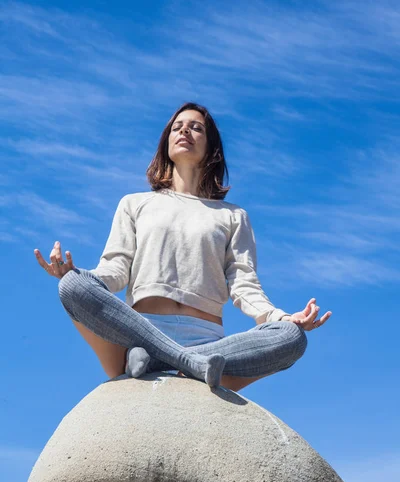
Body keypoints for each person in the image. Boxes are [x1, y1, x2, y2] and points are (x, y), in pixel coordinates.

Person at [34, 102, 331, 391]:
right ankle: (188, 364)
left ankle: (166, 361)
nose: (185, 131)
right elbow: (115, 267)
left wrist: (281, 318)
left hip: (211, 344)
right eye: (177, 127)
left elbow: (244, 284)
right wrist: (80, 277)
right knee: (71, 287)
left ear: (210, 145)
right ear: (167, 143)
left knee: (292, 338)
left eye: (195, 128)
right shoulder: (135, 203)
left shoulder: (232, 216)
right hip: (139, 332)